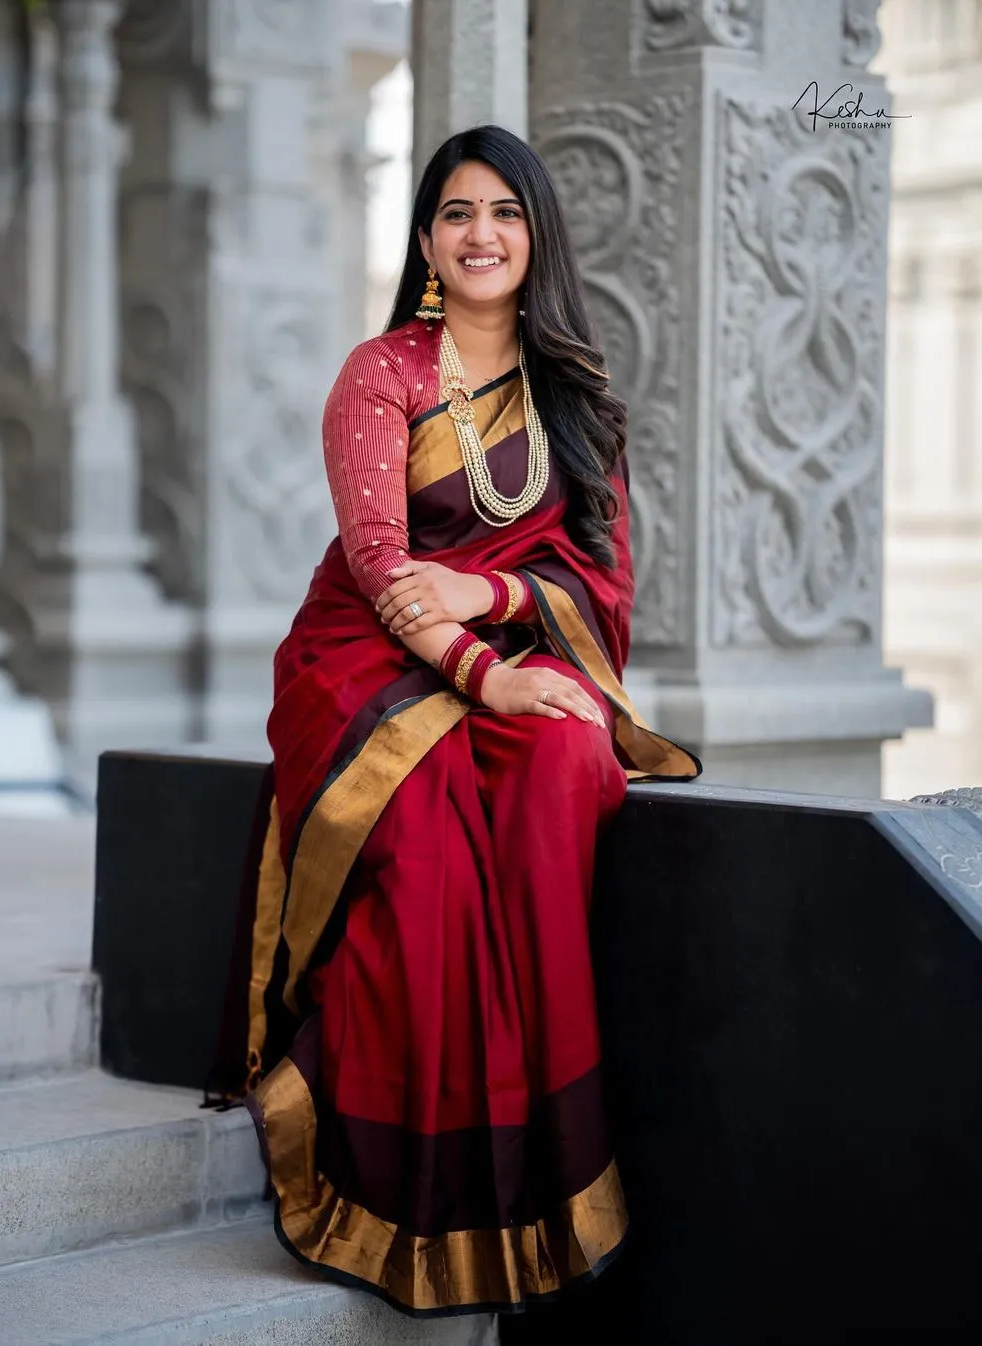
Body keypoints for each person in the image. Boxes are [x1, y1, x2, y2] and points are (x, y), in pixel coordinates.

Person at [239, 124, 699, 1320]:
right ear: (429, 239)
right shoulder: (381, 373)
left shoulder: (578, 402)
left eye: (504, 210)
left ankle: (541, 1160)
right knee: (434, 840)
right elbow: (382, 564)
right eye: (456, 212)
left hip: (502, 647)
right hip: (365, 664)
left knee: (567, 753)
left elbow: (605, 594)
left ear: (536, 233)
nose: (481, 232)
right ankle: (401, 1171)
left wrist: (494, 601)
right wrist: (479, 671)